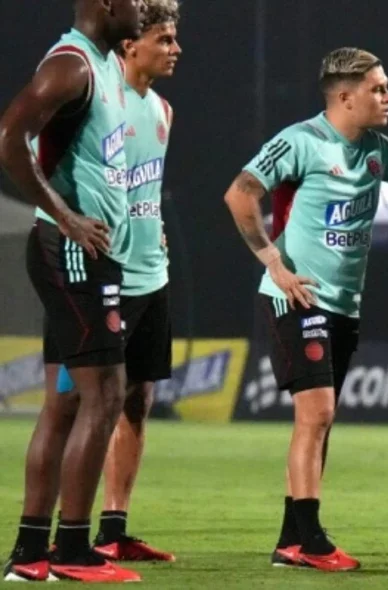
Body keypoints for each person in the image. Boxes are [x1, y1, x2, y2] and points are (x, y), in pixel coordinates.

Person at [223, 47, 388, 573]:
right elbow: (239, 195)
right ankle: (312, 542)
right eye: (378, 88)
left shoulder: (377, 150)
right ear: (345, 97)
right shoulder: (301, 141)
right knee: (317, 413)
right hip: (297, 297)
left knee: (320, 421)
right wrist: (273, 262)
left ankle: (289, 539)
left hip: (345, 304)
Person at [0, 0, 143, 583]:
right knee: (106, 395)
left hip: (86, 256)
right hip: (73, 257)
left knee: (63, 403)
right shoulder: (73, 65)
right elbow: (10, 136)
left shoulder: (104, 65)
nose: (143, 7)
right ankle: (73, 551)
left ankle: (31, 553)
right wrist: (65, 217)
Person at [87, 0, 182, 563]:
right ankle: (60, 530)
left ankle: (113, 528)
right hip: (108, 274)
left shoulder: (164, 112)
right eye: (165, 39)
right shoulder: (102, 101)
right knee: (87, 404)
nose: (175, 49)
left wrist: (156, 226)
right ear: (130, 44)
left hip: (153, 274)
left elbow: (141, 188)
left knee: (138, 400)